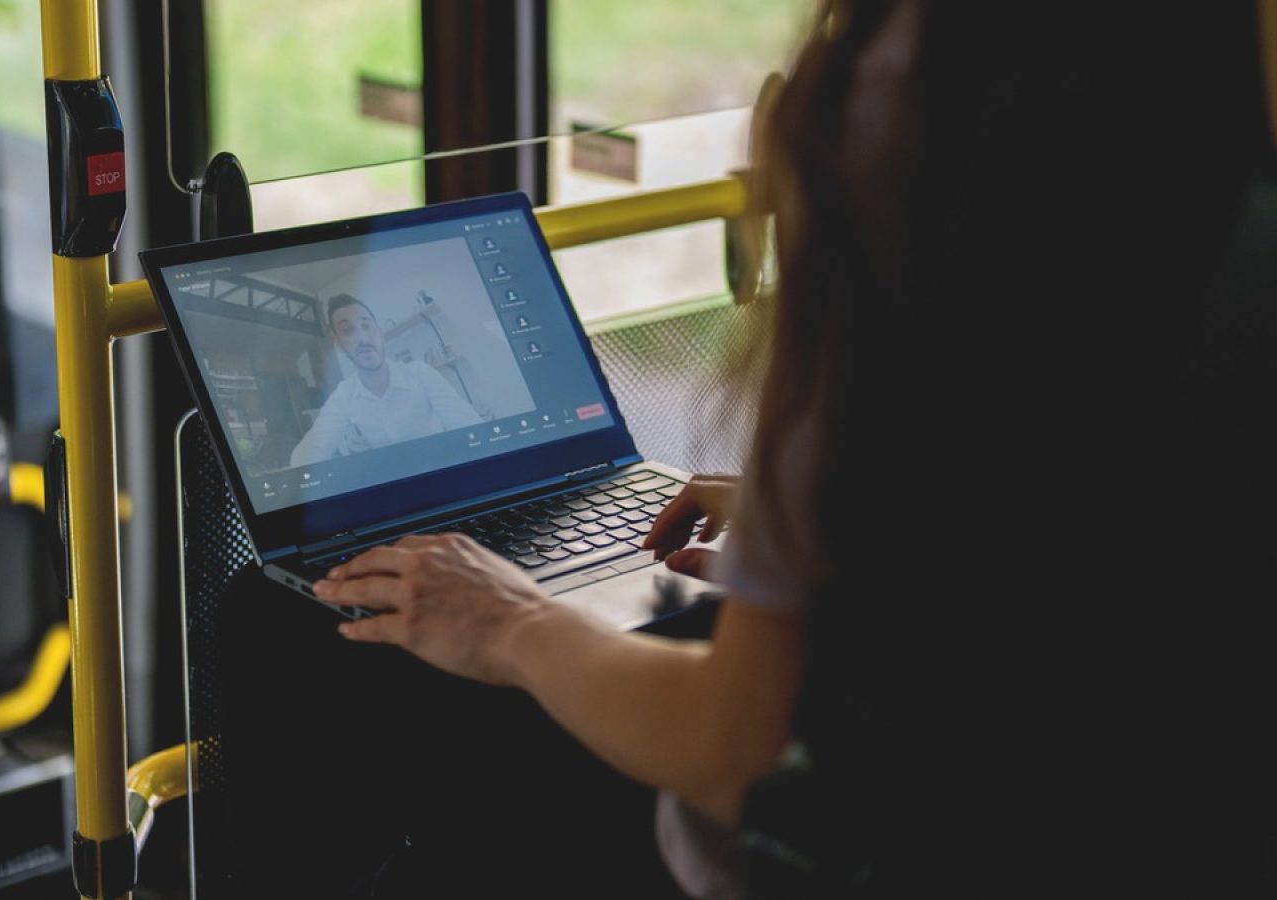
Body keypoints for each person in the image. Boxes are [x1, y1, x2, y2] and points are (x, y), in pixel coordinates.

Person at [315, 3, 1273, 895]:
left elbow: (741, 748)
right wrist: (830, 527)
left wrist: (507, 622)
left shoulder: (915, 112)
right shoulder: (1182, 96)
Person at [290, 293, 482, 467]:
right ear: (338, 344)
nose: (363, 338)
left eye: (366, 326)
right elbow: (308, 454)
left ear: (380, 334)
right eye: (348, 330)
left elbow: (469, 426)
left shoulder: (420, 373)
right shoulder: (343, 396)